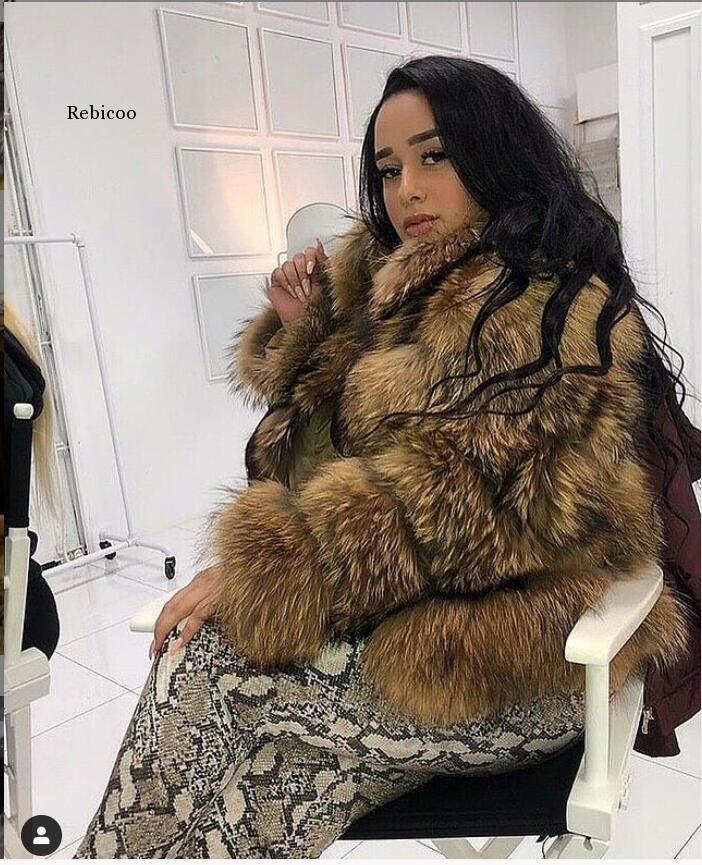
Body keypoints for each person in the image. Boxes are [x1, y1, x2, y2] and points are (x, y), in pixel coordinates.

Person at [75, 57, 695, 858]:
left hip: (519, 666)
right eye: (389, 168)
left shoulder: (547, 307)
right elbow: (309, 465)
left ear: (495, 154)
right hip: (397, 641)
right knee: (275, 782)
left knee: (212, 660)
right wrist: (309, 332)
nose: (408, 189)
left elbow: (464, 509)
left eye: (434, 156)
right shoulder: (394, 292)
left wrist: (270, 570)